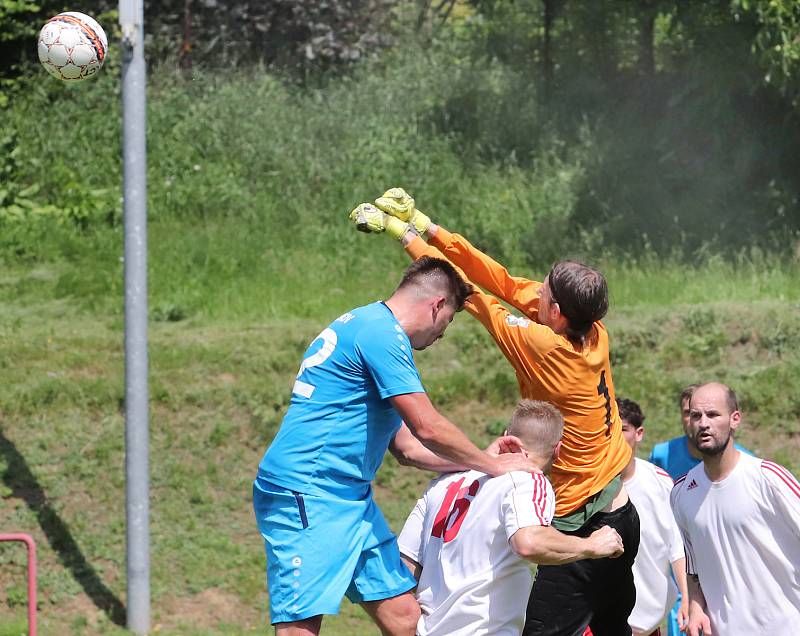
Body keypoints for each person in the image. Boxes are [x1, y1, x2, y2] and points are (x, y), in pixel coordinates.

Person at [350, 190, 639, 636]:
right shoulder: (593, 331)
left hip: (574, 520)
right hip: (621, 510)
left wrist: (403, 235)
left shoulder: (543, 346)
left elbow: (469, 295)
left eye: (544, 290)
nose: (536, 290)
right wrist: (428, 226)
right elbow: (500, 279)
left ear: (556, 313)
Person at [253, 256, 538, 636]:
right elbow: (427, 427)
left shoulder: (370, 326)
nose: (441, 335)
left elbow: (408, 449)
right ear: (437, 305)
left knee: (406, 621)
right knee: (299, 628)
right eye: (449, 321)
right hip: (308, 493)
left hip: (349, 500)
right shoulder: (381, 335)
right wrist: (495, 467)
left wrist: (478, 460)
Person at [397, 399, 625, 636]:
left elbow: (405, 567)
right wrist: (592, 545)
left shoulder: (445, 483)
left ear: (506, 437)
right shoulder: (528, 479)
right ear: (558, 450)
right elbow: (529, 543)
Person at [670, 382, 800, 636]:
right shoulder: (681, 493)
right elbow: (694, 568)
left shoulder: (768, 478)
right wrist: (696, 607)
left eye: (713, 414)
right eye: (696, 415)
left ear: (734, 419)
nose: (703, 423)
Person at [617, 397, 687, 636]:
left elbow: (677, 547)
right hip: (597, 621)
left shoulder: (659, 482)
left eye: (623, 429)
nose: (615, 436)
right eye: (608, 429)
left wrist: (688, 598)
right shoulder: (589, 486)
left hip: (647, 623)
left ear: (639, 433)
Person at [649, 384, 751, 480]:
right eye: (692, 414)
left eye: (711, 414)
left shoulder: (750, 466)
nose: (702, 423)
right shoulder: (661, 455)